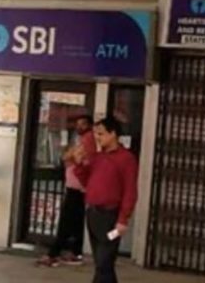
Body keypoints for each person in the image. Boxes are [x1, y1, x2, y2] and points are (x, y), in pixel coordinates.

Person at [73, 117, 138, 283]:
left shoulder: (126, 159)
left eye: (101, 134)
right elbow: (85, 180)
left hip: (111, 216)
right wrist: (79, 164)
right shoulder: (97, 157)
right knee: (102, 263)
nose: (97, 138)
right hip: (93, 214)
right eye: (96, 134)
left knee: (104, 261)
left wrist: (123, 219)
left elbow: (130, 190)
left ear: (113, 134)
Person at [37, 114, 97, 267]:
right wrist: (69, 156)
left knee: (66, 220)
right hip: (77, 185)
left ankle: (54, 253)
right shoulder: (82, 139)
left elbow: (73, 157)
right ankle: (75, 252)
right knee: (76, 221)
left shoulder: (88, 139)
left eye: (83, 124)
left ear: (90, 125)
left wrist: (70, 157)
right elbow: (68, 156)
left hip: (78, 186)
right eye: (78, 124)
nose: (79, 127)